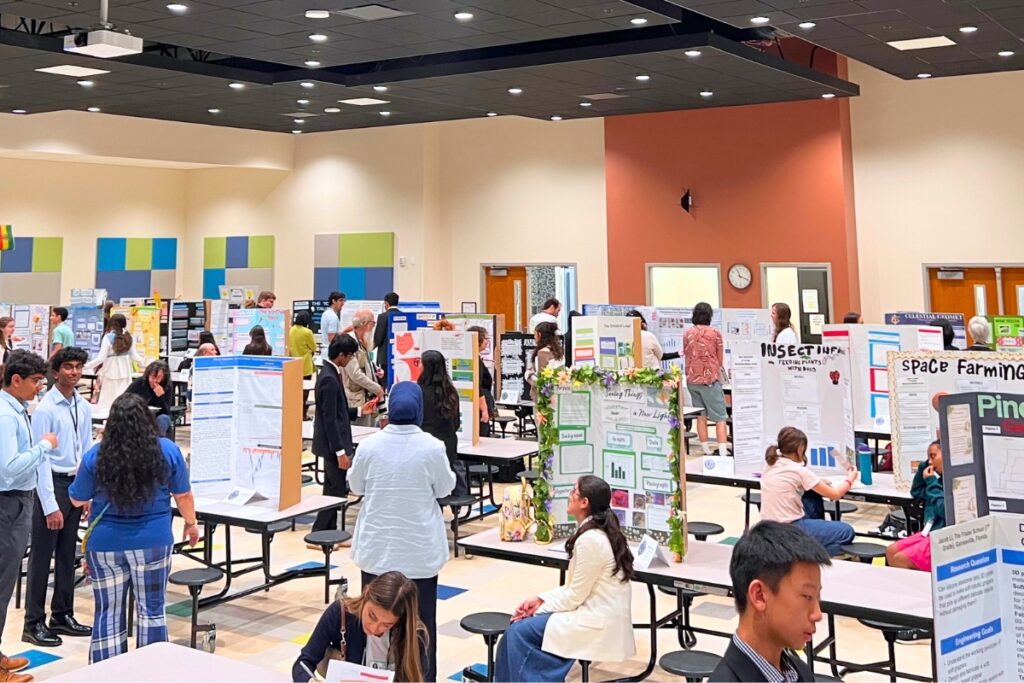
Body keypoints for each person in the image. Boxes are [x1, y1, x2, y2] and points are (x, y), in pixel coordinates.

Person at [68, 393, 198, 663]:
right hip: (153, 540)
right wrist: (191, 523)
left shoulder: (97, 454)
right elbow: (183, 495)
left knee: (108, 612)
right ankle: (150, 671)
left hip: (104, 544)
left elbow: (77, 498)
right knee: (151, 610)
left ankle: (107, 673)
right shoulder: (168, 451)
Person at [348, 382, 456, 681]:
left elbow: (355, 486)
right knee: (421, 629)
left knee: (374, 629)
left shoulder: (370, 445)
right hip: (419, 555)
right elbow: (446, 488)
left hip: (377, 552)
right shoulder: (432, 447)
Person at [494, 475, 636, 682]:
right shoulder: (594, 532)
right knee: (513, 633)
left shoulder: (591, 540)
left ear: (584, 503)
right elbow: (574, 588)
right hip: (591, 611)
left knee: (518, 633)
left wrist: (536, 611)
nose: (569, 496)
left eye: (573, 493)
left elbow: (574, 596)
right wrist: (539, 599)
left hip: (596, 621)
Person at [23, 348, 93, 649]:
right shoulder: (45, 409)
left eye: (78, 367)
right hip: (50, 485)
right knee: (42, 555)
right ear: (55, 372)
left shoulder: (82, 405)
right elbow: (40, 460)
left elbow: (87, 448)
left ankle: (62, 614)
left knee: (68, 554)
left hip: (76, 484)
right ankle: (33, 621)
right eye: (68, 367)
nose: (74, 372)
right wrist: (50, 504)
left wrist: (87, 489)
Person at [0, 351, 57, 683]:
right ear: (16, 380)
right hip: (8, 504)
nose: (40, 387)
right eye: (36, 381)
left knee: (6, 585)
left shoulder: (15, 410)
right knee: (1, 584)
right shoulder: (7, 416)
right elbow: (7, 470)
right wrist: (44, 447)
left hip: (17, 503)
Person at [709, 521, 825, 682]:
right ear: (759, 596)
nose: (817, 614)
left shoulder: (799, 671)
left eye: (817, 597)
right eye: (807, 596)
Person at [292, 571, 427, 682]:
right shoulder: (340, 613)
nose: (374, 629)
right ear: (366, 593)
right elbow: (303, 663)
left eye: (387, 625)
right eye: (371, 616)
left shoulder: (413, 634)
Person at [759, 427, 858, 556]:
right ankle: (802, 555)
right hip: (790, 527)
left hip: (767, 527)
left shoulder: (770, 464)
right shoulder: (799, 471)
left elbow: (791, 481)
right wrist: (850, 479)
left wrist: (817, 480)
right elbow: (835, 494)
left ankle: (802, 546)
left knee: (811, 495)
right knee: (846, 532)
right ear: (800, 449)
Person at [311, 335, 358, 536]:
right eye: (350, 356)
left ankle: (325, 531)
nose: (350, 360)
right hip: (332, 446)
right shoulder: (329, 379)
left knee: (333, 490)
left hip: (332, 444)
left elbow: (339, 412)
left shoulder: (330, 373)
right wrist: (340, 451)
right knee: (335, 491)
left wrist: (361, 411)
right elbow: (330, 420)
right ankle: (322, 531)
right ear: (341, 355)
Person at [886, 441, 945, 572]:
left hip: (943, 538)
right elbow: (917, 491)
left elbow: (943, 509)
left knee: (900, 559)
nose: (930, 462)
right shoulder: (938, 482)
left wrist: (931, 482)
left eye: (933, 456)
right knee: (891, 551)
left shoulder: (946, 483)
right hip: (928, 532)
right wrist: (925, 465)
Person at [418, 350, 466, 496]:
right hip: (448, 445)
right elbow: (456, 422)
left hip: (424, 446)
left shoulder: (419, 391)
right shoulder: (451, 392)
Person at [684, 303, 729, 456]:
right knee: (720, 417)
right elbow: (720, 359)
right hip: (709, 380)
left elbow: (686, 354)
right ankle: (722, 452)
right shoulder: (715, 333)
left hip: (691, 380)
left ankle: (705, 450)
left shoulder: (687, 333)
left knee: (700, 416)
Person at [84, 313, 142, 413]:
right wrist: (147, 363)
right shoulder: (129, 337)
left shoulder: (107, 338)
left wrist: (85, 366)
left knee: (107, 404)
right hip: (126, 374)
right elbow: (135, 357)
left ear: (112, 323)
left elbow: (100, 358)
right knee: (124, 402)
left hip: (110, 373)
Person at [345, 310, 385, 427]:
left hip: (366, 397)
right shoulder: (350, 343)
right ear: (365, 324)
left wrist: (375, 370)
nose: (373, 327)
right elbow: (355, 374)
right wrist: (377, 388)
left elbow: (365, 363)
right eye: (373, 323)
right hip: (356, 400)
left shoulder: (362, 340)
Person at [125, 361, 174, 438]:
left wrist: (161, 396)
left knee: (163, 419)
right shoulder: (140, 382)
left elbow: (167, 411)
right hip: (139, 415)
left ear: (164, 377)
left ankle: (158, 445)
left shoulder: (167, 386)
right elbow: (124, 400)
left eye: (158, 377)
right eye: (152, 377)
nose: (155, 381)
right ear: (148, 375)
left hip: (158, 416)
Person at [466, 326, 495, 436]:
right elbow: (477, 387)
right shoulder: (474, 359)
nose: (487, 341)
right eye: (486, 338)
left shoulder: (476, 357)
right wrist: (484, 410)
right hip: (479, 405)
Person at [526, 322, 564, 402]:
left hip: (545, 398)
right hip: (558, 393)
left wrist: (528, 375)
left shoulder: (542, 353)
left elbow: (541, 380)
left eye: (535, 334)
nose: (534, 337)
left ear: (539, 335)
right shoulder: (559, 351)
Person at [290, 311, 317, 418]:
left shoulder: (291, 330)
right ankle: (303, 413)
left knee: (295, 390)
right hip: (305, 364)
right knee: (304, 390)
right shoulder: (307, 332)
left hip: (293, 363)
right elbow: (314, 348)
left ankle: (295, 412)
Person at [320, 291, 346, 360]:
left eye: (343, 301)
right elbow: (331, 338)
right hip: (331, 353)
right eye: (340, 300)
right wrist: (346, 331)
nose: (343, 303)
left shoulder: (325, 313)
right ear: (333, 301)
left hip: (326, 352)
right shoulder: (333, 316)